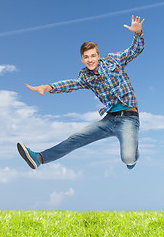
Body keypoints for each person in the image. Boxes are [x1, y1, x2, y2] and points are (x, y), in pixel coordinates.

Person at [17, 15, 145, 170]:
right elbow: (70, 84)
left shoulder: (113, 60)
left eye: (93, 56)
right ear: (82, 60)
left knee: (128, 158)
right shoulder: (85, 76)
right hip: (109, 119)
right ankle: (39, 158)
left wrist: (137, 33)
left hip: (129, 119)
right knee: (75, 138)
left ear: (98, 56)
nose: (90, 60)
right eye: (86, 57)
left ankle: (132, 157)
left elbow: (135, 50)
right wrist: (47, 87)